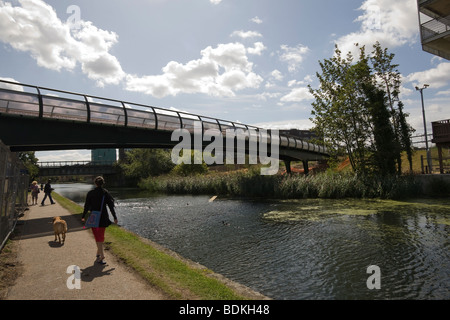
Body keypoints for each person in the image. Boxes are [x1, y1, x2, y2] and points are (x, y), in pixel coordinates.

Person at [81, 176, 118, 265]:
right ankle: (98, 254)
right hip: (103, 217)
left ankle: (101, 256)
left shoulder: (90, 193)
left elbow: (86, 206)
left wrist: (83, 216)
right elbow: (111, 206)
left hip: (94, 217)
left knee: (98, 237)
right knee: (100, 236)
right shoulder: (105, 193)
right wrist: (115, 217)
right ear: (103, 183)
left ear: (95, 183)